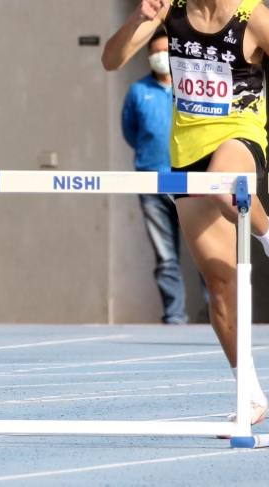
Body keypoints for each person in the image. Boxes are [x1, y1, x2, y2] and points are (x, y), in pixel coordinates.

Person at [102, 0, 269, 425]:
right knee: (220, 288)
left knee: (228, 189)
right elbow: (111, 61)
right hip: (187, 155)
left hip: (240, 139)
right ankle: (250, 394)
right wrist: (139, 18)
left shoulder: (256, 18)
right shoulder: (169, 4)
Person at [121, 30, 188, 324]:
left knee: (206, 250)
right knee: (166, 256)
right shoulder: (138, 91)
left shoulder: (190, 89)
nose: (162, 56)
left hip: (189, 181)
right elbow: (130, 132)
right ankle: (175, 316)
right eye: (155, 51)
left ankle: (218, 314)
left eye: (166, 50)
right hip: (150, 181)